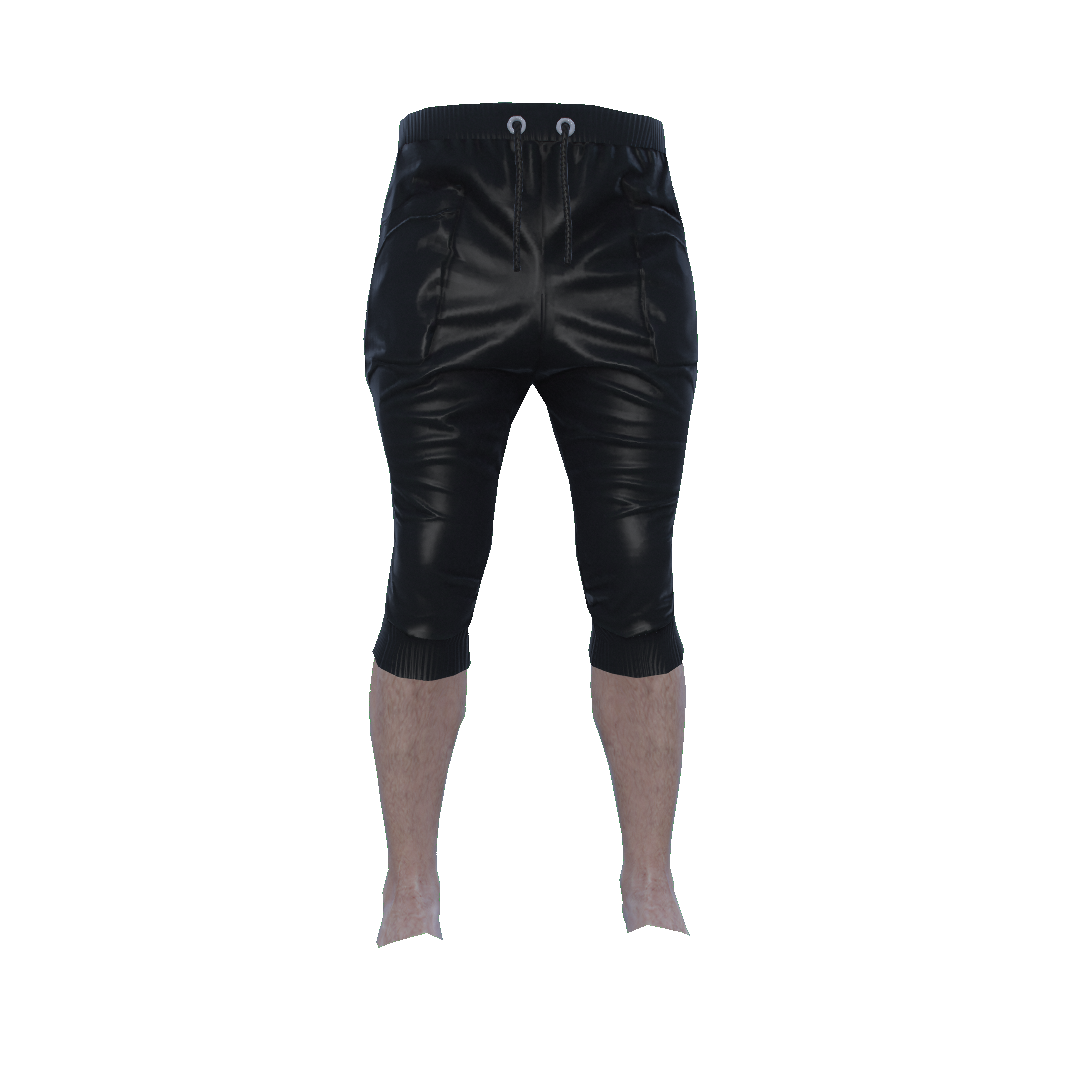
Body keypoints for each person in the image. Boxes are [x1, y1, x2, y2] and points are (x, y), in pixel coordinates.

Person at [364, 103, 697, 946]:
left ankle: (650, 890)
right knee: (429, 575)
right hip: (450, 213)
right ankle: (409, 898)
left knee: (636, 578)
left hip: (621, 215)